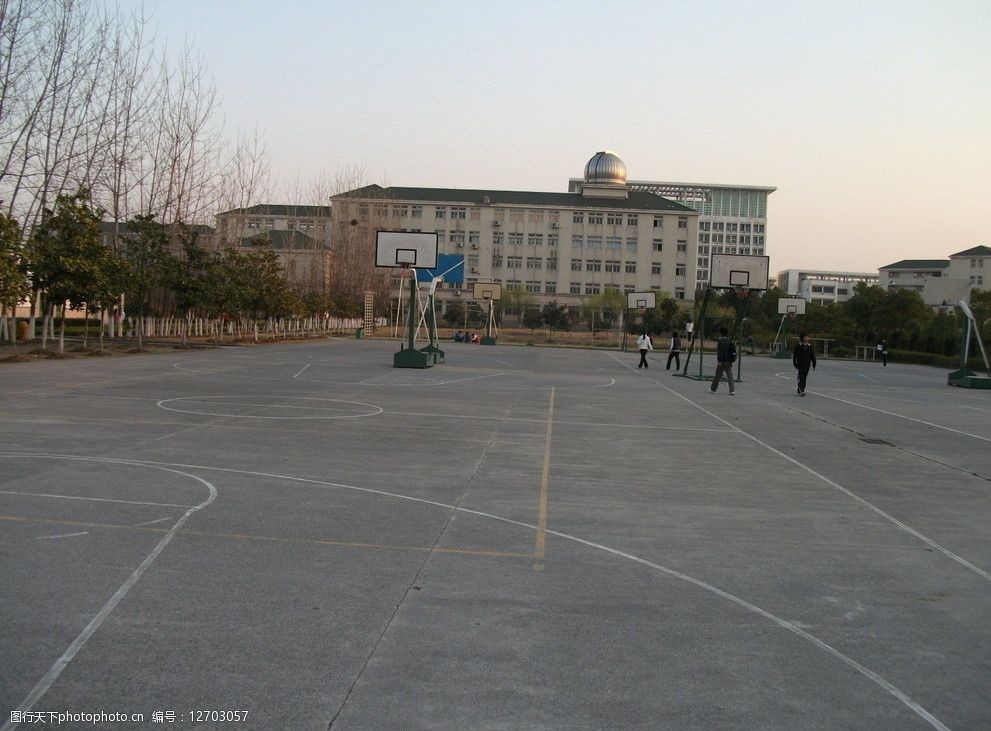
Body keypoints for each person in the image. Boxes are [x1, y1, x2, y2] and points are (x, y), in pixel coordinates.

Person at [710, 326, 736, 395]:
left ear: (721, 333)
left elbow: (720, 352)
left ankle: (713, 389)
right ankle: (732, 390)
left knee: (717, 375)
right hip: (728, 361)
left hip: (722, 361)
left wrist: (719, 361)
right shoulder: (730, 341)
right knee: (730, 376)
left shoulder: (720, 341)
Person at [792, 332, 817, 396]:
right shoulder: (798, 346)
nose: (807, 338)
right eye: (806, 337)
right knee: (801, 376)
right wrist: (795, 363)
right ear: (802, 338)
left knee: (804, 377)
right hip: (800, 365)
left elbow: (812, 356)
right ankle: (802, 390)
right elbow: (795, 356)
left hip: (807, 365)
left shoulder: (809, 346)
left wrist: (814, 363)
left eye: (807, 337)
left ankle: (800, 388)